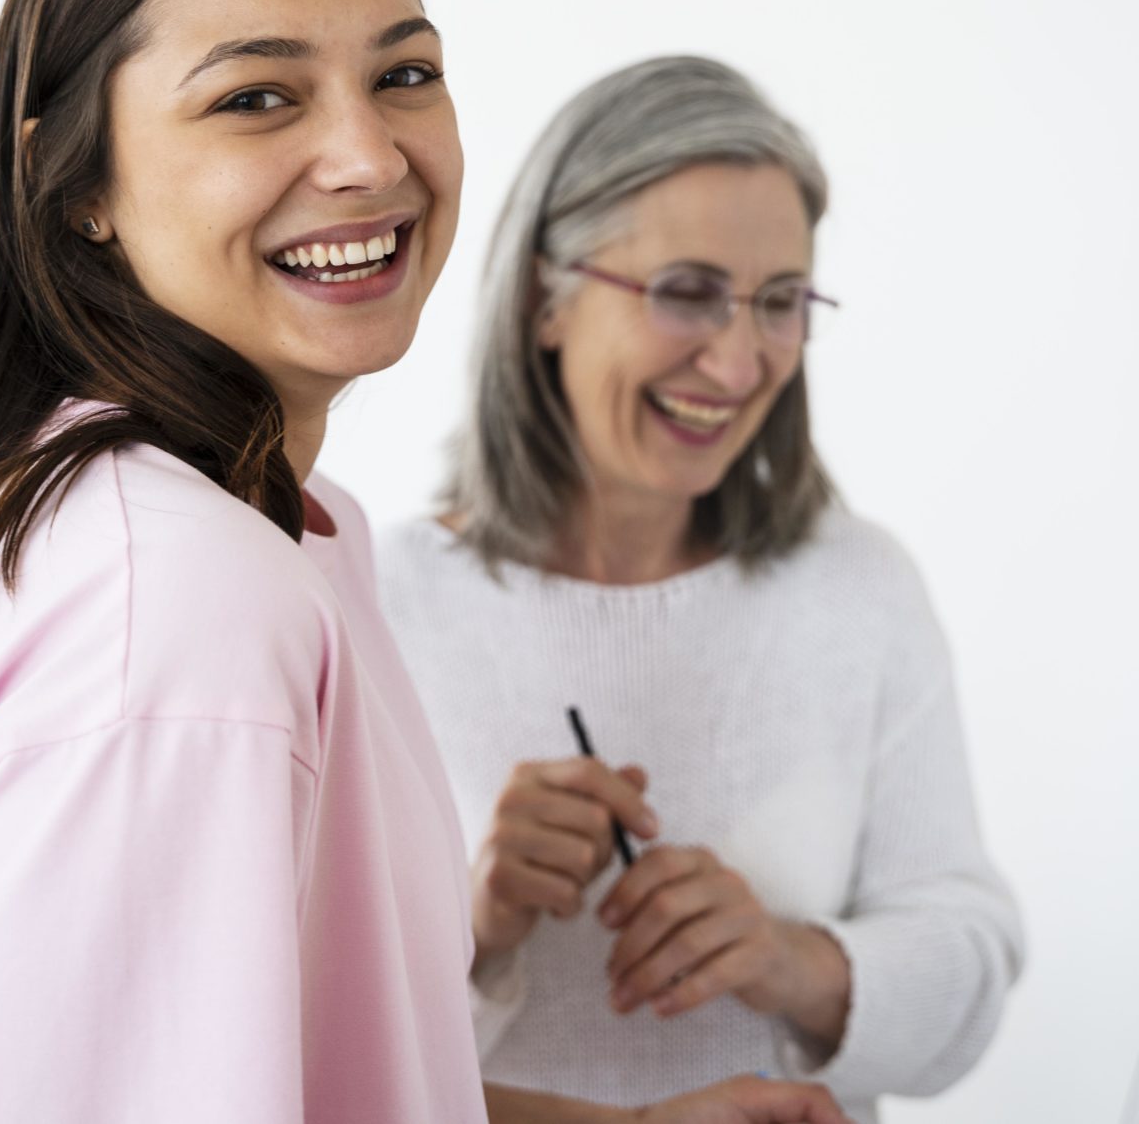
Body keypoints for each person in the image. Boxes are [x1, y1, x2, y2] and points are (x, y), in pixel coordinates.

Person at [0, 0, 847, 1124]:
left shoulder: (270, 535)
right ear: (74, 181)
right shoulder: (172, 612)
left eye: (405, 75)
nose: (369, 156)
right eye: (257, 96)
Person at [378, 56, 1024, 1122]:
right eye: (686, 294)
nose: (737, 363)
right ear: (545, 301)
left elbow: (969, 975)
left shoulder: (855, 589)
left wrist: (789, 961)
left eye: (778, 303)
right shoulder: (382, 603)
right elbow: (313, 1042)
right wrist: (480, 920)